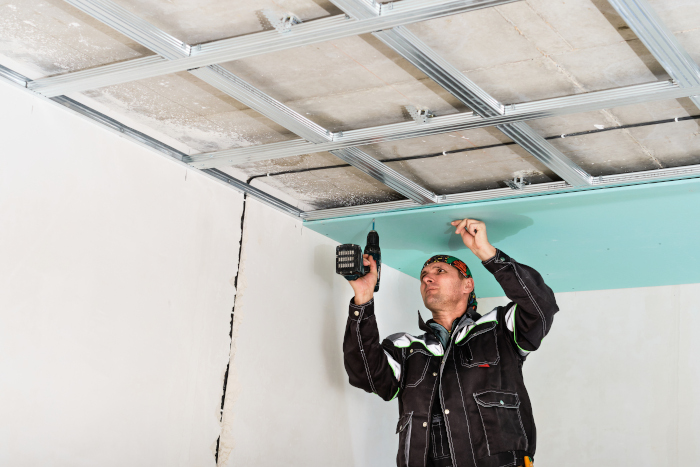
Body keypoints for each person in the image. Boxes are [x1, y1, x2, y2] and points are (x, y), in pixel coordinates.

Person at [343, 218, 559, 467]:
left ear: (467, 285)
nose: (427, 279)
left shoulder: (499, 329)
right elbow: (365, 376)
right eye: (424, 275)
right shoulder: (406, 349)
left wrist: (486, 252)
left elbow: (542, 307)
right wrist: (363, 300)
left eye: (440, 271)